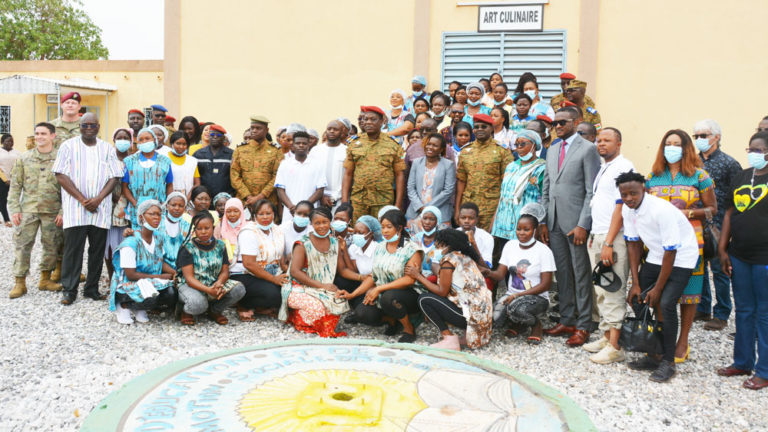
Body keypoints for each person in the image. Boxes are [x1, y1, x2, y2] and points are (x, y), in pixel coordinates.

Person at [618, 171, 699, 383]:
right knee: (637, 300)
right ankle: (654, 352)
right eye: (624, 195)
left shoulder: (660, 210)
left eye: (633, 194)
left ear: (643, 189)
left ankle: (668, 361)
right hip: (656, 254)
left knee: (666, 303)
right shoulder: (628, 210)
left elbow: (671, 251)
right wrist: (635, 284)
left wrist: (657, 288)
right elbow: (633, 245)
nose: (629, 199)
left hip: (682, 256)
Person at [646, 129, 716, 363]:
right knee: (660, 292)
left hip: (690, 244)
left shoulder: (700, 176)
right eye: (668, 143)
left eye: (677, 144)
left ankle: (682, 341)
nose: (671, 148)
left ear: (686, 148)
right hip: (659, 246)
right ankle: (662, 338)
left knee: (689, 294)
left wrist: (687, 212)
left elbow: (712, 210)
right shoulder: (653, 177)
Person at [540, 107, 601, 346]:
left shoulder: (588, 149)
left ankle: (584, 324)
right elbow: (547, 188)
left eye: (562, 122)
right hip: (554, 223)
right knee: (563, 274)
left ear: (576, 122)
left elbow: (590, 191)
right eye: (554, 123)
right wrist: (544, 219)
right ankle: (567, 319)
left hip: (575, 225)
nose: (557, 127)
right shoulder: (553, 149)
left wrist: (583, 224)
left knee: (580, 274)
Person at [716, 131, 768, 390]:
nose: (753, 154)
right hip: (740, 255)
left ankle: (764, 370)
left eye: (758, 150)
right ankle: (742, 361)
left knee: (765, 314)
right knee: (744, 310)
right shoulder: (742, 176)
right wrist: (723, 249)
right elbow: (728, 213)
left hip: (764, 258)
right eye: (751, 149)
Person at [53, 113, 123, 305]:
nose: (89, 128)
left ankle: (91, 288)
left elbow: (115, 176)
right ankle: (69, 290)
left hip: (100, 209)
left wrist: (98, 199)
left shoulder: (107, 148)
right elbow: (60, 174)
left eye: (93, 125)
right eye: (85, 125)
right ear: (80, 127)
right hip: (76, 209)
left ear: (98, 127)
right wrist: (83, 200)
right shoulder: (68, 146)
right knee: (73, 250)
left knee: (97, 251)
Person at [581, 127, 635, 364]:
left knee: (612, 289)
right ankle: (606, 335)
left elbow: (621, 206)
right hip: (598, 233)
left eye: (607, 140)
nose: (601, 144)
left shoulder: (624, 167)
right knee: (601, 289)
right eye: (599, 140)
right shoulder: (605, 166)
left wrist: (610, 242)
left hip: (613, 237)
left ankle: (616, 346)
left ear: (619, 143)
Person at [337, 209, 423, 342]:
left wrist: (378, 289)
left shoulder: (412, 249)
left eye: (389, 227)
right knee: (362, 313)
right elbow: (374, 276)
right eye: (382, 227)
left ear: (399, 228)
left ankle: (408, 329)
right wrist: (352, 295)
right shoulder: (381, 247)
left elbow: (409, 279)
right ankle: (392, 319)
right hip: (384, 292)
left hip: (408, 294)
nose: (385, 231)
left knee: (389, 297)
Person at [692, 119, 742, 330]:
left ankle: (722, 312)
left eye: (703, 136)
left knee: (719, 269)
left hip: (719, 224)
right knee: (699, 267)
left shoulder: (729, 164)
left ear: (716, 137)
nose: (699, 140)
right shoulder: (692, 162)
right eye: (696, 137)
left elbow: (737, 196)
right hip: (696, 221)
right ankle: (703, 307)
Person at [280, 206, 356, 337]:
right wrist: (323, 286)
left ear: (330, 222)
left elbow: (342, 270)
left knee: (339, 302)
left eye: (325, 222)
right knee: (318, 309)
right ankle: (296, 317)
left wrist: (362, 278)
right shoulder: (303, 243)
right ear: (311, 224)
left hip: (322, 288)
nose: (321, 226)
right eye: (317, 223)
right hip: (298, 287)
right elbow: (295, 272)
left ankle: (307, 318)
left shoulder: (334, 242)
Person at [412, 229, 492, 350]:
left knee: (424, 299)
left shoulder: (449, 262)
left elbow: (441, 291)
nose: (435, 247)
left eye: (437, 244)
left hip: (472, 316)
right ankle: (467, 335)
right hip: (481, 315)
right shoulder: (464, 257)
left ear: (445, 245)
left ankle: (449, 338)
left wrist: (418, 276)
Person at [8, 123, 64, 298]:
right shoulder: (24, 158)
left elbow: (66, 188)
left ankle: (45, 279)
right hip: (28, 210)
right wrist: (15, 208)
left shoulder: (60, 158)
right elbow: (15, 186)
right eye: (37, 133)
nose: (39, 137)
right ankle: (20, 282)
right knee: (22, 245)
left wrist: (63, 211)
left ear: (53, 136)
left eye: (44, 134)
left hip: (52, 210)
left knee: (51, 246)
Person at [485, 211, 554, 344]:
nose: (521, 233)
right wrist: (486, 271)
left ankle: (536, 325)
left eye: (526, 229)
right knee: (496, 318)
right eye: (519, 229)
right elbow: (499, 274)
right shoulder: (510, 245)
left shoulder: (544, 251)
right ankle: (520, 323)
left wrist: (517, 295)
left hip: (537, 298)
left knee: (516, 309)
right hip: (512, 295)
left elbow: (546, 285)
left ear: (535, 230)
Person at [108, 200, 176, 324]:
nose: (156, 217)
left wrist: (174, 273)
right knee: (151, 297)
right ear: (141, 217)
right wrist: (159, 276)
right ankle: (124, 305)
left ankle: (138, 307)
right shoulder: (131, 242)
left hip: (149, 280)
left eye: (159, 214)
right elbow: (130, 275)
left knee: (171, 293)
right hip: (129, 284)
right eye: (152, 214)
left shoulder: (158, 238)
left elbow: (159, 261)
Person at [177, 211, 246, 325]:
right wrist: (209, 290)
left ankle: (214, 310)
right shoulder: (188, 248)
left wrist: (219, 283)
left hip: (213, 283)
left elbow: (225, 270)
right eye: (199, 229)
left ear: (213, 228)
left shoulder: (220, 245)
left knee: (239, 289)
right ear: (194, 230)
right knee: (198, 305)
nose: (203, 232)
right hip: (192, 285)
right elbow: (189, 278)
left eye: (207, 228)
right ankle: (185, 311)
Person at [342, 106, 406, 219]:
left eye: (373, 119)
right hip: (359, 199)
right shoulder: (354, 143)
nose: (368, 122)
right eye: (365, 119)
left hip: (383, 199)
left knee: (382, 232)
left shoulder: (393, 144)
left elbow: (399, 175)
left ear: (382, 121)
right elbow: (348, 173)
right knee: (358, 232)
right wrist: (344, 201)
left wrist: (398, 204)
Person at [455, 113, 514, 231]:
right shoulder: (466, 151)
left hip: (491, 207)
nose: (479, 129)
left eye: (484, 126)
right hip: (469, 206)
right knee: (467, 241)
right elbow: (461, 180)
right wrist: (457, 209)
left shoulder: (502, 151)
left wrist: (499, 212)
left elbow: (507, 184)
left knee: (490, 243)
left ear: (491, 128)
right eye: (476, 127)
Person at [492, 130, 546, 241]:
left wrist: (542, 224)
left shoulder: (541, 168)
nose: (518, 147)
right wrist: (494, 220)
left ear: (534, 146)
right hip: (502, 223)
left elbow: (545, 199)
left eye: (523, 144)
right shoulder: (511, 166)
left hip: (525, 226)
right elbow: (503, 194)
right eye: (517, 145)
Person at [121, 128, 174, 230]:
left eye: (147, 138)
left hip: (160, 208)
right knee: (139, 237)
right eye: (141, 139)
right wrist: (135, 203)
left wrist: (166, 204)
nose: (144, 141)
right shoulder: (130, 161)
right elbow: (124, 186)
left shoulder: (165, 162)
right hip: (137, 208)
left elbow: (169, 185)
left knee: (158, 238)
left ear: (154, 140)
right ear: (138, 143)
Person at [230, 115, 283, 211]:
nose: (254, 131)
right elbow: (234, 175)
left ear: (267, 130)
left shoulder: (276, 150)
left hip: (267, 201)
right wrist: (248, 196)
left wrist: (260, 197)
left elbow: (277, 176)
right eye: (252, 128)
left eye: (258, 128)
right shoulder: (240, 149)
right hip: (245, 201)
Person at [406, 133, 456, 232]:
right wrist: (420, 207)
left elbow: (448, 190)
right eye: (428, 144)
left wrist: (428, 208)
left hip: (439, 212)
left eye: (435, 145)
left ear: (441, 149)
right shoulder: (417, 162)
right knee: (415, 244)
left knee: (439, 243)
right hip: (416, 212)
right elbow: (411, 187)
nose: (430, 147)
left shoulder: (448, 165)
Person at [275, 131, 326, 223]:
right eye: (298, 143)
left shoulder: (318, 164)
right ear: (293, 145)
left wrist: (305, 207)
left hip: (310, 211)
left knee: (309, 236)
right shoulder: (285, 164)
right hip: (290, 211)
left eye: (304, 143)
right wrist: (291, 207)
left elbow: (320, 190)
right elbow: (280, 189)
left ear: (308, 145)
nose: (301, 145)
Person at [105, 128, 134, 281]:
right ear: (114, 140)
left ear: (130, 141)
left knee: (125, 245)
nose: (122, 140)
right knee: (109, 246)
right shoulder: (106, 159)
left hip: (128, 207)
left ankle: (125, 277)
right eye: (119, 137)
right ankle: (111, 277)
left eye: (125, 137)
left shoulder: (134, 159)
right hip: (108, 207)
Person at [308, 120, 347, 210]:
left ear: (342, 133)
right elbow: (311, 175)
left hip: (339, 199)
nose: (332, 131)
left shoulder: (346, 151)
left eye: (335, 129)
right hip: (318, 198)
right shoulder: (316, 150)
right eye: (329, 129)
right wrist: (321, 196)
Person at [195, 124, 234, 200]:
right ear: (209, 136)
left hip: (224, 198)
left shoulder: (231, 155)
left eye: (218, 135)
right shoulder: (198, 154)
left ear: (223, 138)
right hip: (203, 199)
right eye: (212, 134)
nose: (215, 137)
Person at [160, 131, 200, 200]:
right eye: (178, 143)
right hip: (166, 198)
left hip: (187, 198)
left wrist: (188, 197)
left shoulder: (192, 161)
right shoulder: (163, 158)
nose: (181, 147)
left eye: (184, 144)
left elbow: (197, 183)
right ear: (172, 143)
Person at [157, 192, 191, 270]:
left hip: (181, 267)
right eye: (173, 205)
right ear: (167, 206)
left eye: (181, 206)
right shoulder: (158, 223)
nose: (177, 208)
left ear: (185, 208)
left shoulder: (186, 226)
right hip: (160, 266)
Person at [457, 202, 493, 270]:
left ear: (477, 219)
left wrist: (473, 243)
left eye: (471, 218)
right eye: (463, 218)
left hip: (477, 272)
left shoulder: (487, 237)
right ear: (459, 218)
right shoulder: (453, 234)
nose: (466, 221)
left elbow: (486, 268)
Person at [411, 206, 442, 278]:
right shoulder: (415, 238)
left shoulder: (443, 240)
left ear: (438, 221)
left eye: (432, 219)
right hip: (415, 276)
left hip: (436, 278)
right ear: (421, 220)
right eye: (425, 218)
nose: (427, 222)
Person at [213, 197, 245, 261]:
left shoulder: (248, 227)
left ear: (241, 211)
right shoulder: (220, 226)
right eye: (228, 211)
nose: (232, 214)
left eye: (236, 211)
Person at [0, 133, 19, 226]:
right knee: (3, 199)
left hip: (13, 179)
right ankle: (7, 220)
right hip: (1, 179)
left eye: (12, 141)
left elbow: (19, 166)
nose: (10, 143)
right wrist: (5, 179)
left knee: (8, 198)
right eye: (8, 141)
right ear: (2, 142)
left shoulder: (17, 152)